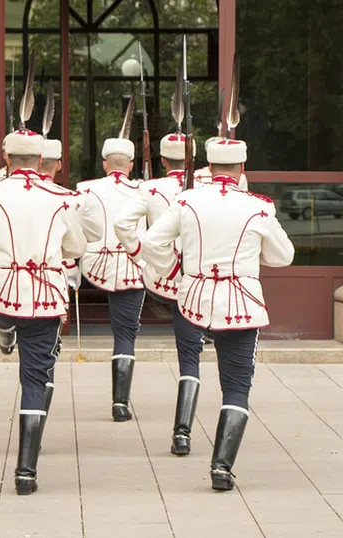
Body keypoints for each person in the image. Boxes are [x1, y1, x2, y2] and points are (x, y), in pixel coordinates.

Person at [139, 138, 294, 491]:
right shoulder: (259, 206)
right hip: (241, 305)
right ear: (242, 169)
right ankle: (221, 468)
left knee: (190, 363)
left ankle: (184, 433)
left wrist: (172, 270)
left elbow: (151, 242)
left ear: (208, 167)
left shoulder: (187, 200)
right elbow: (284, 255)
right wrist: (255, 255)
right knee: (236, 387)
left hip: (194, 299)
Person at [0, 129, 89, 496]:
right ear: (41, 161)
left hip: (3, 292)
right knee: (35, 382)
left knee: (3, 313)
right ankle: (26, 472)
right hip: (45, 295)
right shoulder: (63, 198)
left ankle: (4, 327)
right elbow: (77, 246)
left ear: (7, 159)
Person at [114, 132, 205, 455]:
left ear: (163, 160)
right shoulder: (208, 188)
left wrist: (142, 255)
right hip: (201, 281)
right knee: (190, 358)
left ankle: (180, 432)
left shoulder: (150, 188)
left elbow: (122, 223)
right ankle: (182, 433)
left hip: (163, 280)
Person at [76, 137, 146, 422]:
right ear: (131, 165)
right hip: (133, 266)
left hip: (94, 266)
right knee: (125, 335)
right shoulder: (144, 190)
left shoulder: (84, 189)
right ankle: (120, 403)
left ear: (104, 164)